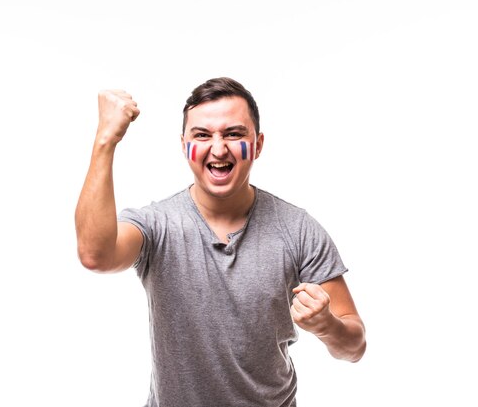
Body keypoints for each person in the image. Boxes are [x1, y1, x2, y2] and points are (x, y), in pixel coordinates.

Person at [75, 77, 366, 407]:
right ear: (184, 144)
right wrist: (105, 140)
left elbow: (354, 346)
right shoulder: (156, 225)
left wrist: (326, 324)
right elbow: (95, 254)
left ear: (257, 144)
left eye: (233, 133)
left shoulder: (298, 229)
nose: (218, 148)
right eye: (202, 135)